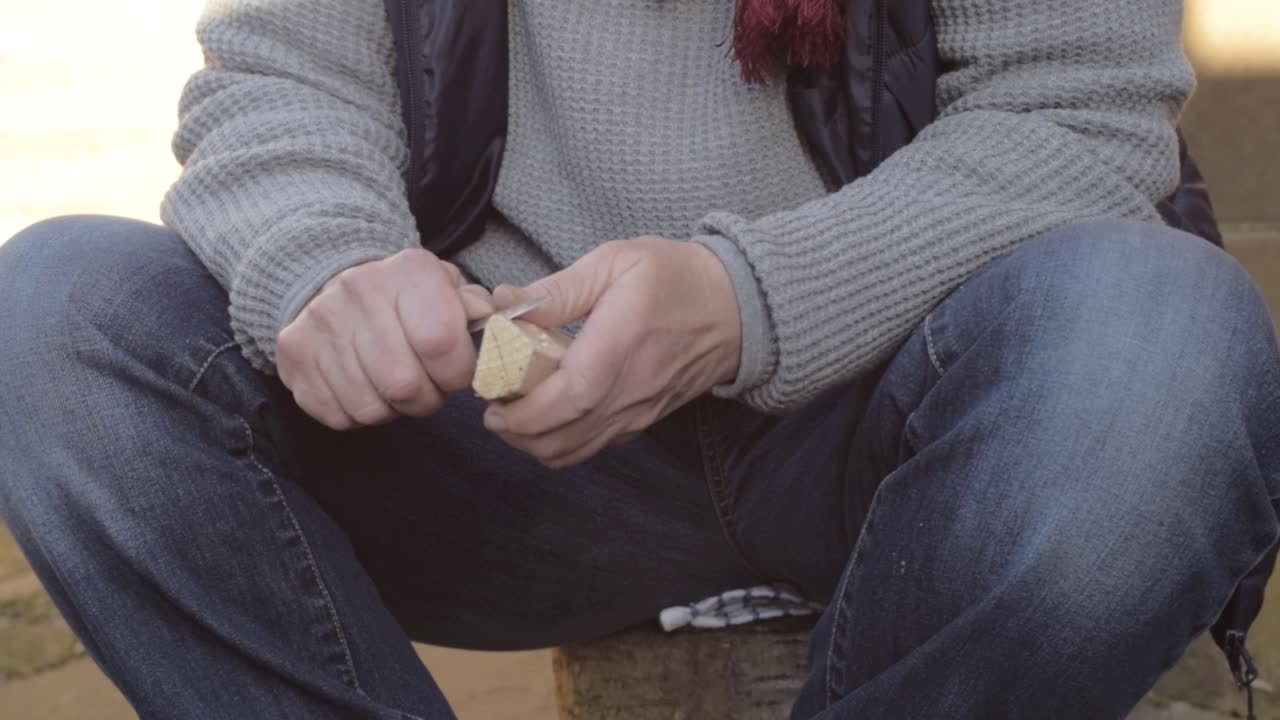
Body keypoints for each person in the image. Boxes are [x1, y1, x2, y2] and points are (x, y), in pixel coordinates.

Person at [1, 0, 1277, 717]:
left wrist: (745, 300)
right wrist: (329, 266)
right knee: (55, 311)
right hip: (491, 451)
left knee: (1160, 333)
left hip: (901, 415)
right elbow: (280, 78)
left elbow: (1074, 112)